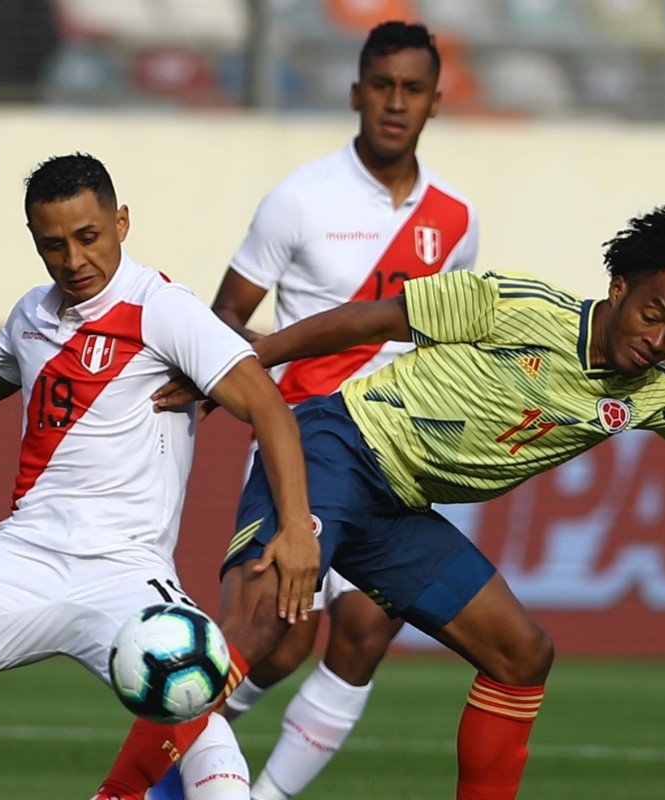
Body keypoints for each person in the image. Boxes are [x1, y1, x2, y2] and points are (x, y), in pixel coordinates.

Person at [100, 204, 665, 800]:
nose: (658, 338)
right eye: (652, 313)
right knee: (265, 624)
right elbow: (373, 320)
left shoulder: (654, 393)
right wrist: (250, 357)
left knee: (522, 654)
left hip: (396, 507)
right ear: (618, 289)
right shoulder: (519, 304)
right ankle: (120, 793)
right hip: (338, 450)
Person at [142, 19, 479, 800]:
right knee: (273, 642)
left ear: (435, 101)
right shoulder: (299, 199)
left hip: (396, 452)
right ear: (356, 93)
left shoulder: (457, 221)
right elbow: (226, 316)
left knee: (364, 631)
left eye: (413, 89)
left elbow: (445, 331)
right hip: (301, 442)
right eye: (383, 86)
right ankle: (153, 782)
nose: (396, 102)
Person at [0, 153, 319, 800]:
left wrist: (297, 529)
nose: (74, 259)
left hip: (126, 573)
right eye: (53, 245)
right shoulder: (31, 315)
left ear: (121, 222)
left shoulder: (163, 309)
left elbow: (269, 408)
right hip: (23, 557)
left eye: (88, 237)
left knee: (197, 705)